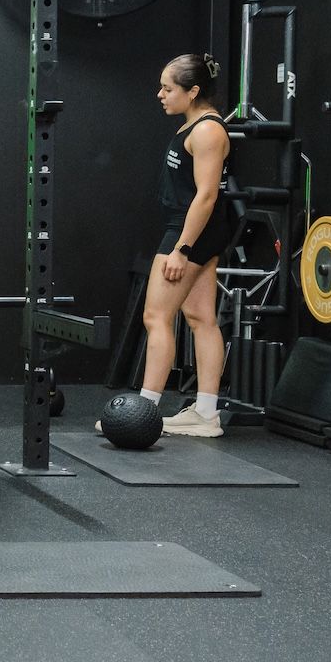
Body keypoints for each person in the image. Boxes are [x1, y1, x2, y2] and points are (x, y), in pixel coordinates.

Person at [135, 52, 235, 437]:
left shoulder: (208, 131)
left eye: (168, 88)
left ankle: (143, 413)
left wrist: (182, 249)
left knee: (156, 317)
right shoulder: (194, 124)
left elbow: (207, 196)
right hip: (194, 228)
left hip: (189, 230)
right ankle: (206, 413)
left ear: (193, 92)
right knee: (200, 318)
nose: (160, 94)